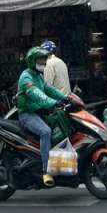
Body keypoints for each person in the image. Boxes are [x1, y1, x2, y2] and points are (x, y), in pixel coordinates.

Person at [17, 47, 71, 187]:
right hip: (28, 114)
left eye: (44, 59)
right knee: (45, 132)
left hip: (40, 112)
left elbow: (49, 89)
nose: (43, 62)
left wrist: (65, 98)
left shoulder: (39, 77)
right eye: (40, 59)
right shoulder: (26, 77)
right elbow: (38, 95)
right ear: (32, 61)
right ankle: (46, 171)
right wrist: (53, 103)